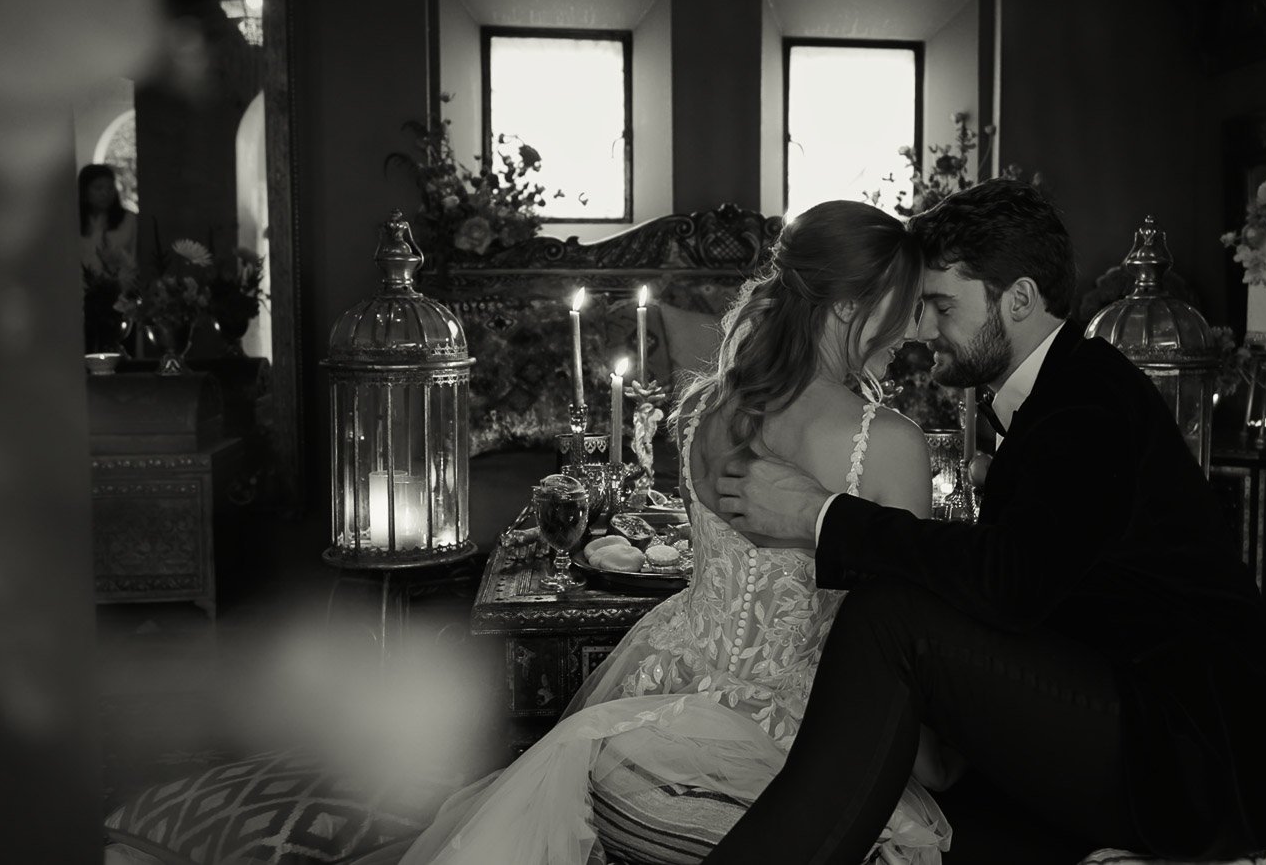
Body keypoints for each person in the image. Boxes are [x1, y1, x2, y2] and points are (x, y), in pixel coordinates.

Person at [702, 180, 1266, 865]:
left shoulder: (1085, 403)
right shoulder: (1059, 388)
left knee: (891, 619)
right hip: (1115, 699)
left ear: (1019, 299)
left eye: (941, 305)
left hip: (1186, 749)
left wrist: (815, 512)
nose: (921, 330)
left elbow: (1009, 584)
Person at [395, 200, 952, 865]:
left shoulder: (702, 411)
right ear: (846, 307)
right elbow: (911, 630)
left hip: (662, 693)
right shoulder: (889, 444)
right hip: (791, 739)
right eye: (906, 306)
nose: (916, 331)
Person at [78, 163, 137, 273]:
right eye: (98, 188)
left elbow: (135, 260)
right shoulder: (74, 220)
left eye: (110, 188)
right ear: (84, 191)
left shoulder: (128, 220)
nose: (105, 193)